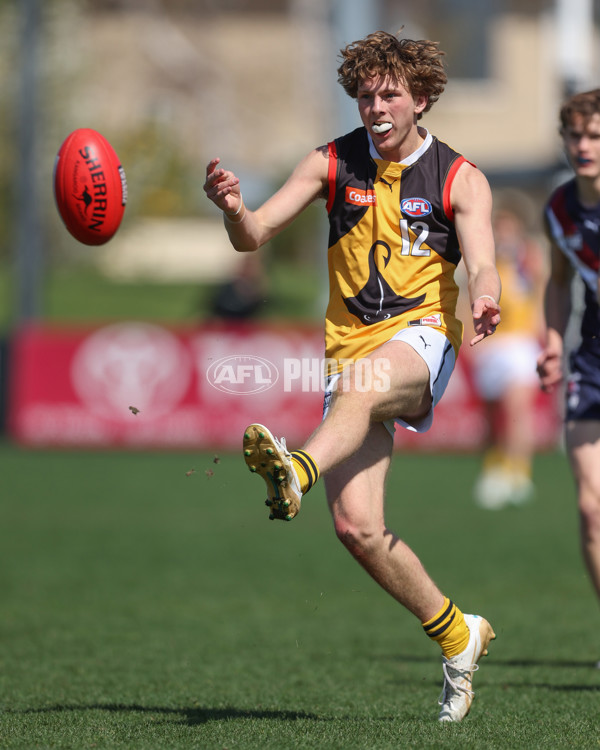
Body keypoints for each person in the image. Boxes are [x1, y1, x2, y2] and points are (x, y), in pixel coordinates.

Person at [204, 30, 501, 721]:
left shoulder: (461, 177)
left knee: (366, 385)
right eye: (366, 95)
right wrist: (232, 209)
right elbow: (255, 234)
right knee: (358, 529)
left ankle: (296, 469)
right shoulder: (331, 162)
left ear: (421, 98)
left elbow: (481, 258)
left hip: (421, 340)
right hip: (350, 352)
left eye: (390, 93)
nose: (376, 106)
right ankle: (460, 635)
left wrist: (485, 292)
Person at [537, 88, 600, 658]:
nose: (584, 146)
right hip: (593, 360)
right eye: (576, 136)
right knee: (590, 507)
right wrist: (554, 341)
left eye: (595, 136)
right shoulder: (559, 209)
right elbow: (559, 281)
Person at [469, 194, 547, 510]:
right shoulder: (483, 258)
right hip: (491, 344)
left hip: (520, 342)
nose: (503, 231)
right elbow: (468, 297)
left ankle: (519, 472)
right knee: (491, 414)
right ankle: (494, 468)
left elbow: (542, 290)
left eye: (507, 225)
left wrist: (540, 331)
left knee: (518, 409)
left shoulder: (529, 256)